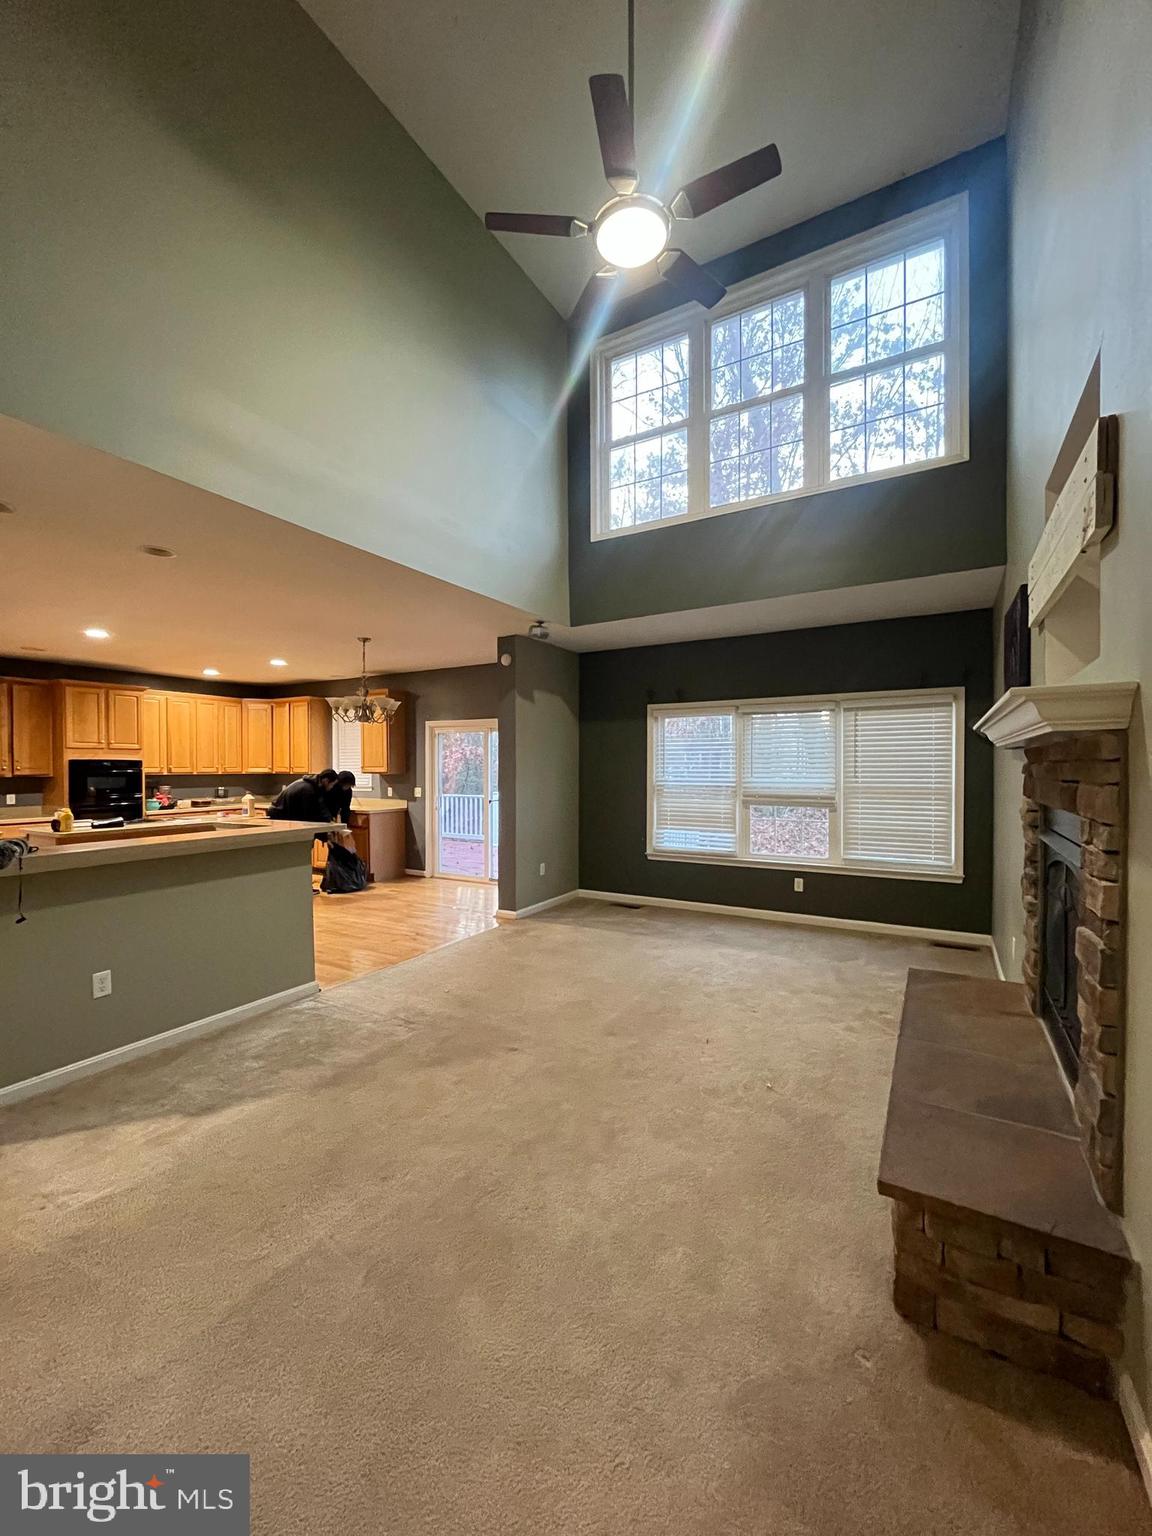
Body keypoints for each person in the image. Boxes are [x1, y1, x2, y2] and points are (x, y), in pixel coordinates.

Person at [267, 770, 339, 823]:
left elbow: (320, 807)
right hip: (279, 817)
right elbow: (309, 814)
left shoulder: (311, 785)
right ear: (326, 781)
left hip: (280, 814)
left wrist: (328, 819)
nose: (331, 787)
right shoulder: (308, 790)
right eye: (332, 785)